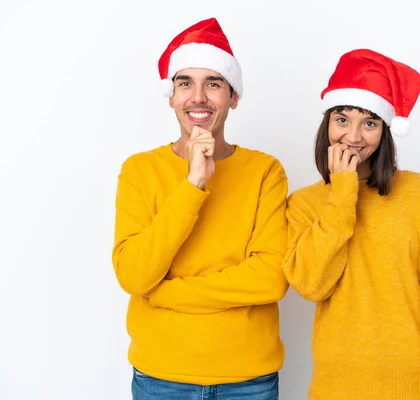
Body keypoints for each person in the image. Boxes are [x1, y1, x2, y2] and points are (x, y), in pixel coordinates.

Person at [111, 17, 288, 400]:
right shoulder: (140, 171)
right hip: (161, 378)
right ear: (172, 95)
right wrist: (193, 184)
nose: (198, 97)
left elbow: (270, 278)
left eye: (213, 83)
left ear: (233, 97)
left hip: (249, 381)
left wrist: (167, 293)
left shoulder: (265, 172)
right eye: (185, 83)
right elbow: (135, 276)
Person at [282, 49, 420, 399]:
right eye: (342, 119)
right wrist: (342, 193)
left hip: (416, 387)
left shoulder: (417, 193)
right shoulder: (305, 204)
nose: (353, 137)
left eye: (369, 123)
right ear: (327, 125)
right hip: (335, 388)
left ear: (385, 132)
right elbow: (311, 285)